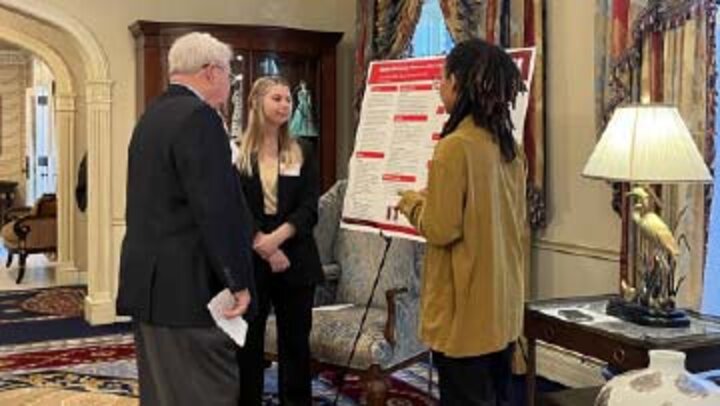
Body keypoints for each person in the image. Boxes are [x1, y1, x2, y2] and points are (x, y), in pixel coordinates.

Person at [116, 32, 255, 406]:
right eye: (229, 73)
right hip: (188, 291)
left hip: (151, 287)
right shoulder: (199, 119)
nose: (230, 82)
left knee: (163, 393)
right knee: (206, 391)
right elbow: (216, 210)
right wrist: (238, 280)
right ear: (211, 72)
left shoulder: (151, 116)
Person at [396, 38, 528, 406]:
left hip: (463, 314)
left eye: (442, 79)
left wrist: (410, 202)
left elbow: (441, 228)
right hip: (500, 307)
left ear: (457, 82)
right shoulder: (509, 148)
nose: (439, 87)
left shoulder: (454, 146)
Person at [234, 76, 322, 406]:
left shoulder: (303, 150)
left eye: (288, 99)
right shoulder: (239, 155)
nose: (285, 105)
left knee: (296, 346)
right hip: (253, 260)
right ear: (257, 103)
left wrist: (277, 239)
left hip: (296, 257)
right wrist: (264, 245)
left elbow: (310, 208)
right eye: (277, 98)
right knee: (249, 346)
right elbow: (236, 208)